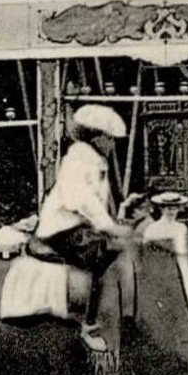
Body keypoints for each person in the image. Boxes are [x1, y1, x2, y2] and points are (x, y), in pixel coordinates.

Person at [37, 104, 134, 353]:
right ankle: (88, 324)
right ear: (98, 137)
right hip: (62, 226)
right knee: (101, 257)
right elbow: (81, 199)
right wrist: (109, 227)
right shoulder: (79, 158)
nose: (112, 145)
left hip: (77, 225)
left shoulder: (95, 160)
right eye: (110, 139)